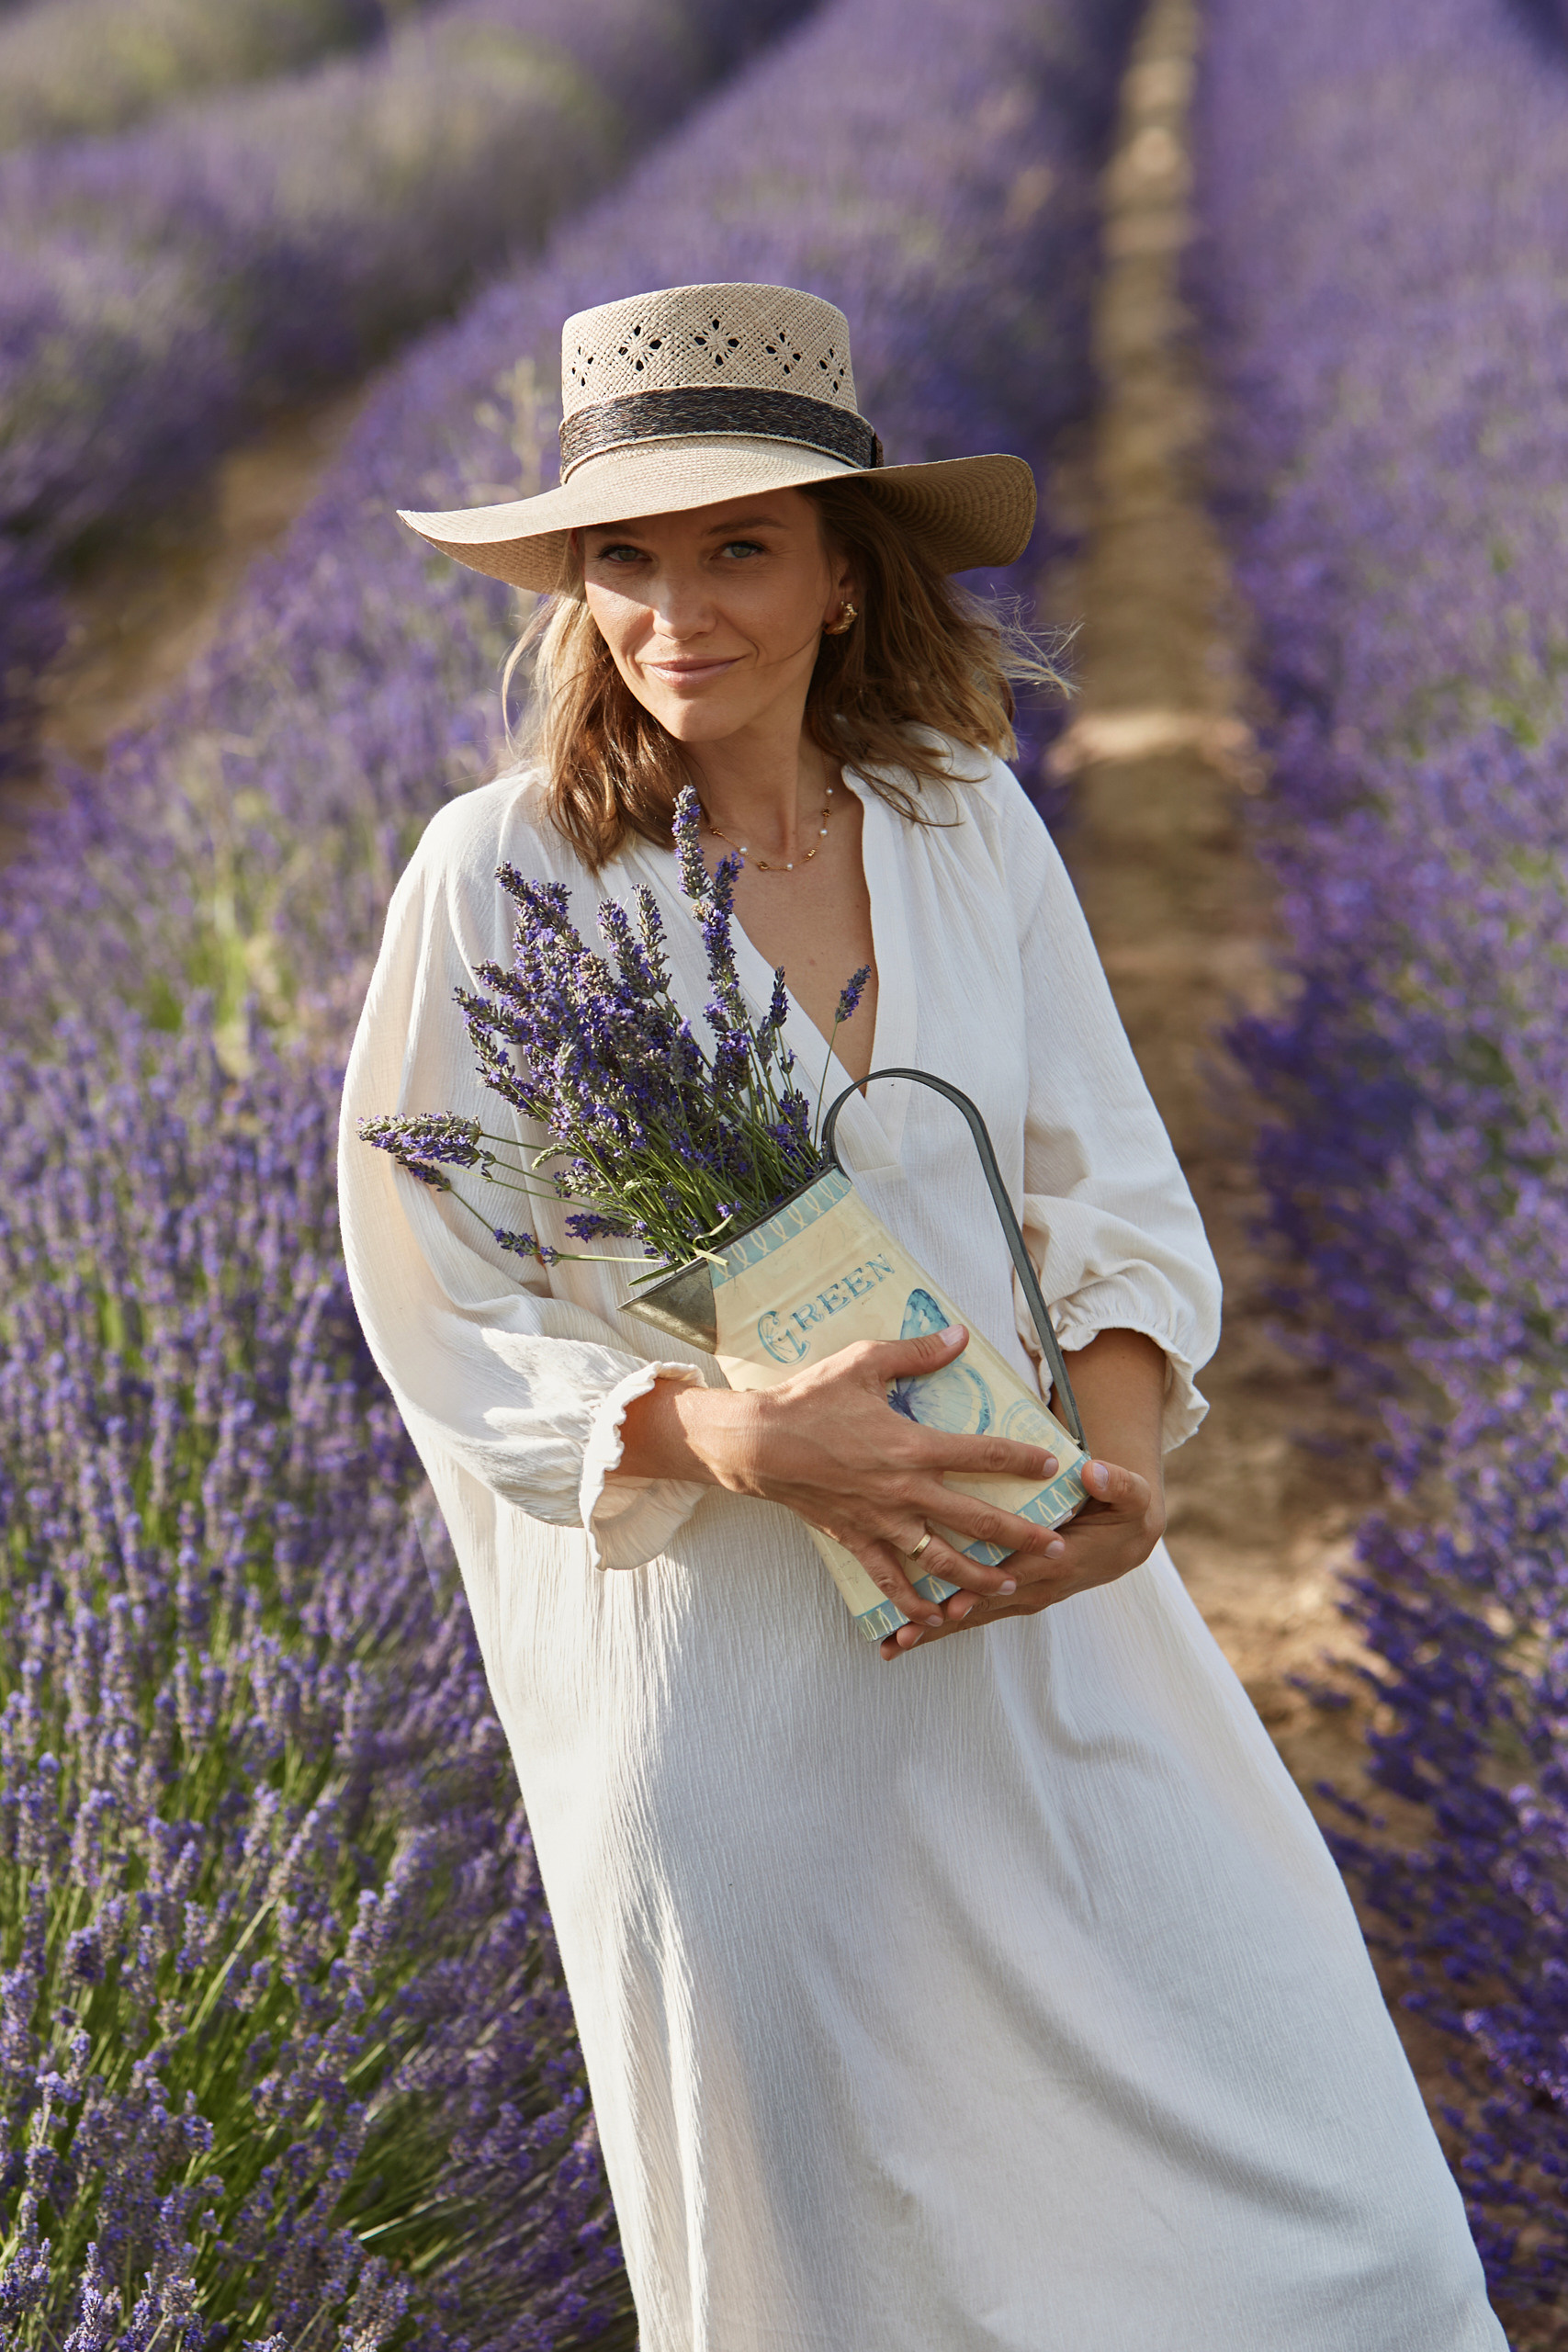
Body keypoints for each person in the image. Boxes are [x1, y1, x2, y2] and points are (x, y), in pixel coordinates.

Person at [339, 282, 1504, 2350]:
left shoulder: (968, 826)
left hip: (1032, 1615)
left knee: (1347, 2247)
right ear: (572, 585)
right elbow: (435, 1290)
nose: (672, 607)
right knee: (848, 2280)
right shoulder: (498, 876)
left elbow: (1105, 1188)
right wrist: (727, 1432)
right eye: (623, 552)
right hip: (732, 1688)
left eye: (735, 547)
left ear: (844, 578)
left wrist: (1127, 1469)